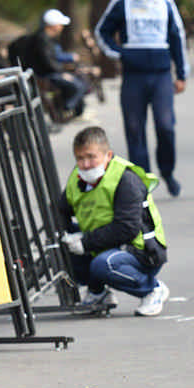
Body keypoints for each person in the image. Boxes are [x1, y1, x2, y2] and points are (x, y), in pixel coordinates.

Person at [95, 0, 189, 197]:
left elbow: (177, 37)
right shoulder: (121, 3)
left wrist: (181, 73)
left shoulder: (165, 2)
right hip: (133, 77)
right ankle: (143, 181)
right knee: (135, 130)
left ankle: (167, 172)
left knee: (166, 127)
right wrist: (118, 53)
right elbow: (101, 31)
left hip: (161, 77)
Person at [58, 126, 170, 316]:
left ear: (108, 155)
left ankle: (152, 289)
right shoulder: (77, 179)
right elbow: (61, 210)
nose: (85, 164)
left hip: (141, 250)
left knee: (103, 264)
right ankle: (98, 292)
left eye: (91, 157)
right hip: (107, 243)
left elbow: (127, 228)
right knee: (60, 246)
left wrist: (84, 242)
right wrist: (66, 236)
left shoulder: (126, 179)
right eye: (80, 158)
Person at [10, 9, 88, 118]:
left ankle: (70, 110)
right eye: (60, 24)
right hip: (45, 75)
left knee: (80, 81)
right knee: (77, 85)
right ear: (53, 25)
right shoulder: (42, 39)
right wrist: (62, 73)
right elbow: (47, 62)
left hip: (48, 73)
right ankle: (67, 110)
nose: (61, 27)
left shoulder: (45, 38)